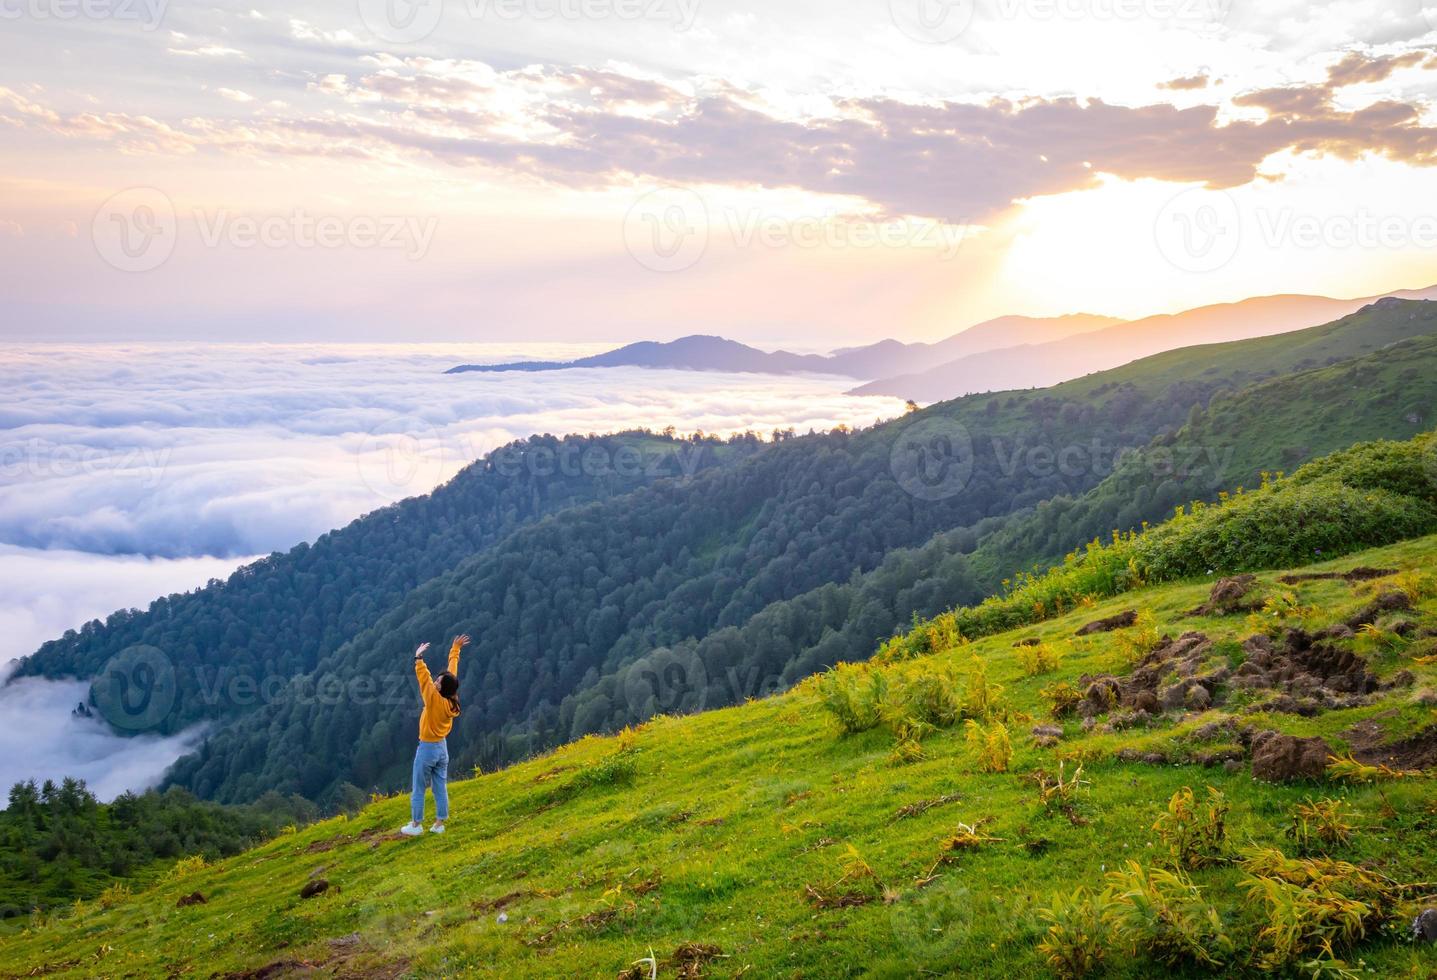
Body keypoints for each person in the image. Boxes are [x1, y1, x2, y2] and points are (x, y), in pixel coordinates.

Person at [400, 634, 467, 836]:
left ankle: (416, 825)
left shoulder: (433, 699)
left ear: (441, 687)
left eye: (438, 682)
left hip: (427, 748)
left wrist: (418, 659)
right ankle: (439, 824)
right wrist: (455, 650)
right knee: (440, 787)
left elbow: (424, 679)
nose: (436, 682)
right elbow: (451, 673)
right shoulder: (451, 699)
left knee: (419, 788)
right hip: (441, 748)